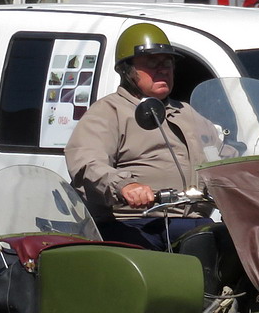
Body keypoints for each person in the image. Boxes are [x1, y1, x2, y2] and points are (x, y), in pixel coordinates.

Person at [65, 23, 222, 250]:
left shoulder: (187, 113)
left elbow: (224, 157)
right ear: (127, 71)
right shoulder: (110, 112)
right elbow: (87, 162)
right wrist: (125, 186)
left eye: (167, 63)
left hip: (195, 223)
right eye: (151, 64)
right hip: (136, 224)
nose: (162, 69)